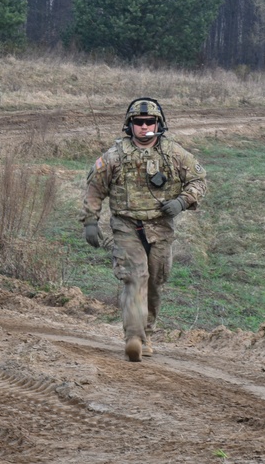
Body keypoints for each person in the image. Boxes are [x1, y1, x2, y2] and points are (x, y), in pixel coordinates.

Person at [80, 97, 207, 362]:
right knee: (135, 279)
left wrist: (182, 201)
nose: (144, 127)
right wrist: (90, 220)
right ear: (130, 125)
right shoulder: (115, 156)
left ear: (159, 124)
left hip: (160, 228)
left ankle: (146, 333)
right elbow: (95, 188)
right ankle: (134, 338)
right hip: (126, 225)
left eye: (150, 122)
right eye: (139, 122)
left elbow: (198, 180)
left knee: (155, 283)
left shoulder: (173, 153)